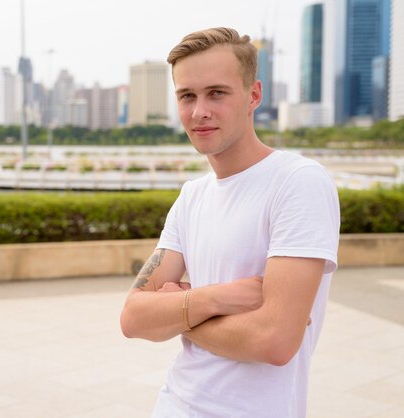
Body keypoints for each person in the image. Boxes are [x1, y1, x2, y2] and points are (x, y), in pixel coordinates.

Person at [120, 27, 340, 417]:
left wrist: (178, 310)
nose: (199, 110)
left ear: (253, 95)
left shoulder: (298, 182)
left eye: (216, 93)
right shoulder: (192, 196)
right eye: (187, 96)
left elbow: (274, 342)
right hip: (173, 404)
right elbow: (133, 317)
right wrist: (215, 299)